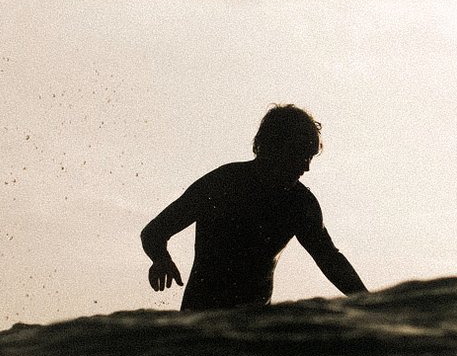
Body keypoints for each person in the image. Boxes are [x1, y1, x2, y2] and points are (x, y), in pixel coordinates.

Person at [141, 104, 367, 309]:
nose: (306, 168)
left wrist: (370, 304)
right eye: (299, 155)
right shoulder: (222, 184)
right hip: (201, 322)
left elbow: (329, 259)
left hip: (253, 330)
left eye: (309, 157)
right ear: (272, 147)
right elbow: (154, 232)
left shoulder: (299, 204)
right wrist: (161, 258)